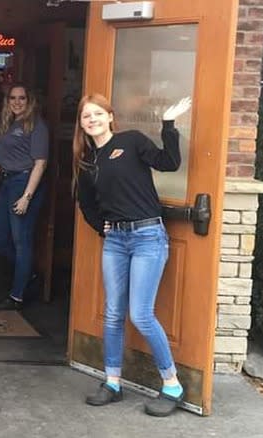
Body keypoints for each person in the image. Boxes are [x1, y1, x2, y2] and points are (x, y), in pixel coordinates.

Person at [72, 93, 192, 417]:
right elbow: (87, 204)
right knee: (113, 313)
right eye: (86, 116)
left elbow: (170, 162)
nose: (92, 119)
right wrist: (103, 228)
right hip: (116, 242)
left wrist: (169, 125)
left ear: (111, 117)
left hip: (148, 237)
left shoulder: (132, 141)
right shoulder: (88, 162)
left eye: (98, 113)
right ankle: (112, 382)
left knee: (139, 314)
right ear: (81, 125)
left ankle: (172, 385)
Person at [0, 83, 49, 311]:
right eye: (13, 98)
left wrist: (27, 196)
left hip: (24, 182)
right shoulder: (9, 123)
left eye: (22, 98)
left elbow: (40, 163)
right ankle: (29, 273)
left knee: (21, 240)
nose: (17, 102)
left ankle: (17, 296)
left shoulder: (37, 125)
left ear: (29, 100)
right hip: (6, 181)